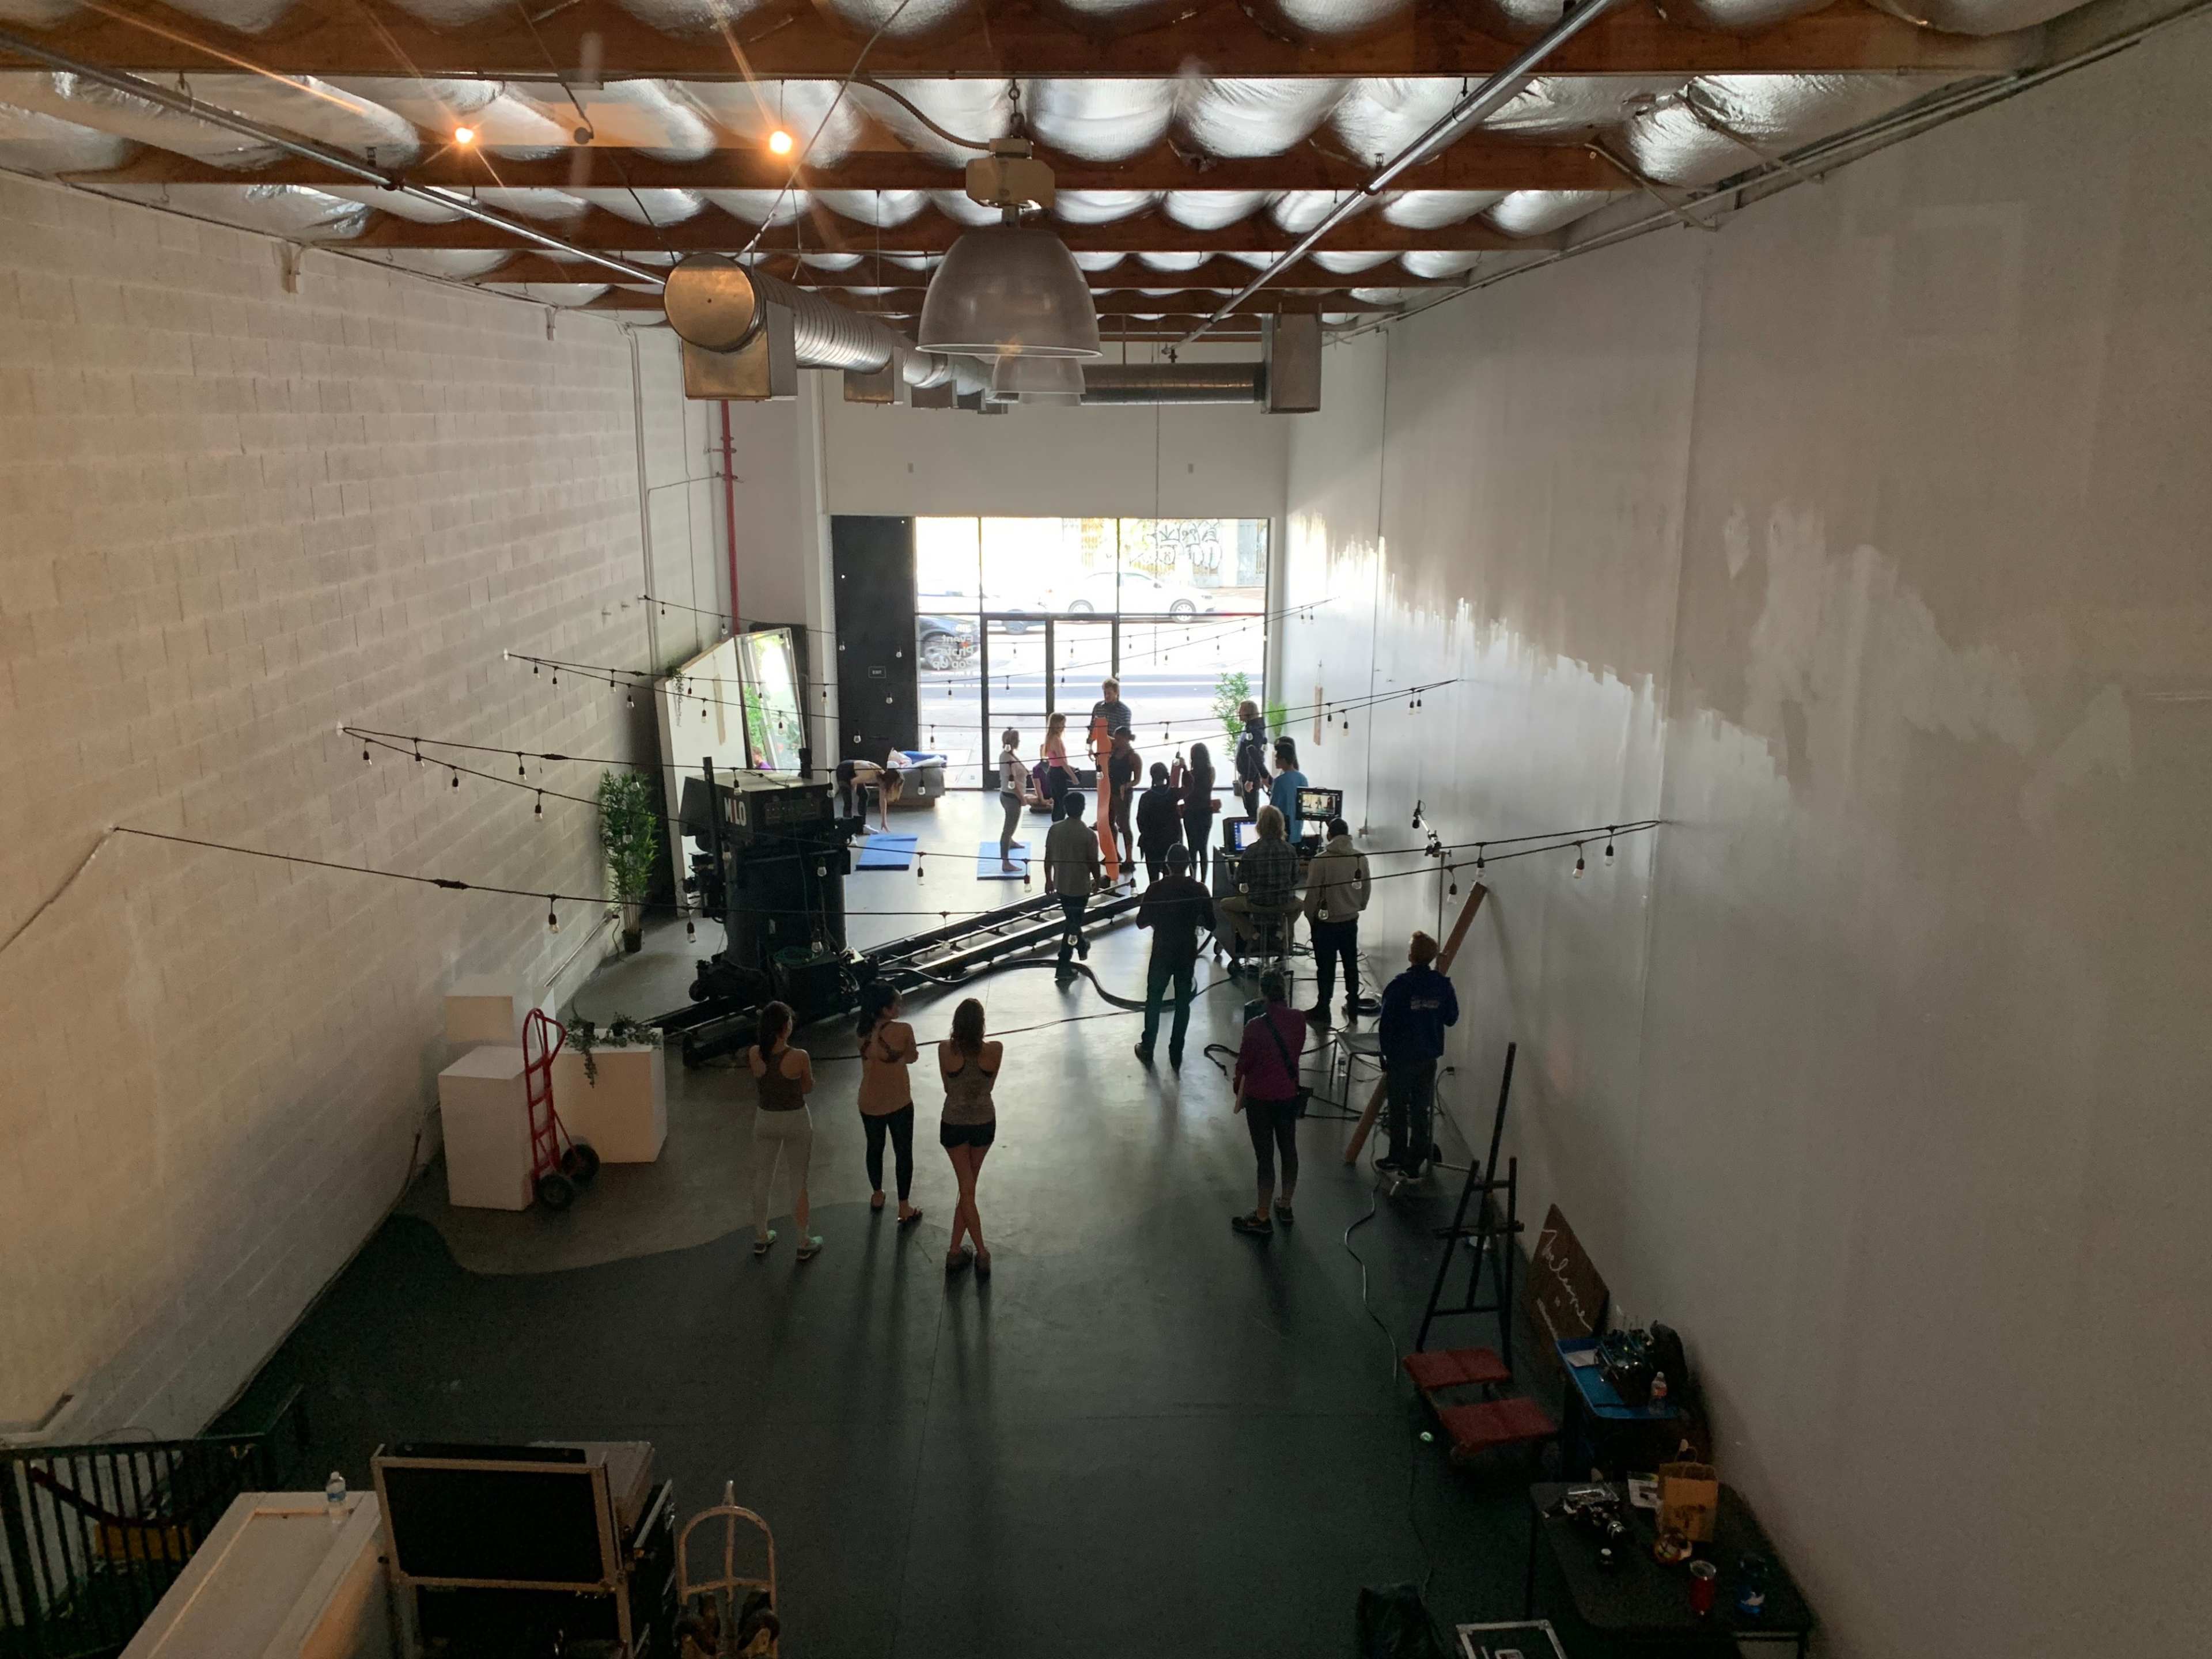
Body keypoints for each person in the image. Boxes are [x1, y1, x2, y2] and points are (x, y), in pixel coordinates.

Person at [1230, 969, 1307, 1236]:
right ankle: (1285, 1204)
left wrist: (1238, 1079)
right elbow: (1294, 1053)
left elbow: (1245, 1063)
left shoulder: (1255, 1027)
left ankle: (1262, 1216)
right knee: (1289, 1150)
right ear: (1284, 991)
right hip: (1288, 1096)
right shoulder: (1299, 1020)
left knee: (1265, 1158)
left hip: (1260, 1100)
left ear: (1263, 993)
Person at [1377, 931, 1460, 1177]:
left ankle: (1397, 1155)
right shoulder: (1443, 985)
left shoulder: (1399, 985)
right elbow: (1452, 1018)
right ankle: (1414, 1162)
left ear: (1411, 955)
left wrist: (1385, 1054)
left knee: (1398, 1109)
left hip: (1401, 1058)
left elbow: (1387, 1024)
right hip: (1428, 1058)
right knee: (1421, 1109)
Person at [745, 1001, 820, 1260]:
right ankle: (803, 1240)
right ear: (786, 1027)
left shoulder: (755, 1053)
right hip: (795, 1119)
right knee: (798, 1180)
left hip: (765, 1118)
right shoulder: (799, 1056)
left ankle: (761, 1235)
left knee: (762, 1177)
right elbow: (807, 1088)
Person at [937, 998, 1000, 1278]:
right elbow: (990, 1085)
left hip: (954, 1123)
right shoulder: (995, 1050)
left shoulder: (944, 1050)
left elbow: (947, 1087)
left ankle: (963, 1252)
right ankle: (971, 1252)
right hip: (983, 1122)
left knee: (967, 1189)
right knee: (968, 1188)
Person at [1134, 843, 1210, 1068]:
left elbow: (1140, 922)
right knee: (1183, 1002)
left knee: (1154, 998)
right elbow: (1212, 923)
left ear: (1167, 865)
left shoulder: (1155, 889)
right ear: (1188, 865)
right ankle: (1176, 1051)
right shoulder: (1200, 890)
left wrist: (1158, 918)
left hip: (1162, 949)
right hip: (1186, 950)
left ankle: (1148, 1047)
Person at [854, 982, 923, 1224]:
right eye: (896, 1003)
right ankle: (904, 1206)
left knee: (874, 1148)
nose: (899, 1006)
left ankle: (877, 1194)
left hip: (869, 1101)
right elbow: (913, 1058)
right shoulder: (904, 1030)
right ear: (885, 1009)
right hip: (898, 1101)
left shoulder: (861, 1031)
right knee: (903, 1152)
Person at [1301, 816, 1369, 1025]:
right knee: (1350, 964)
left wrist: (1310, 917)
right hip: (1350, 920)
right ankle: (1353, 1005)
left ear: (1329, 835)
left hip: (1326, 923)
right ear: (1348, 835)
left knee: (1326, 967)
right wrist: (1359, 906)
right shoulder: (1360, 858)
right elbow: (1366, 889)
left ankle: (1324, 1007)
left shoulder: (1321, 860)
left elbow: (1312, 894)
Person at [1214, 803, 1298, 971]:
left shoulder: (1251, 851)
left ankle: (1253, 935)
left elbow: (1239, 880)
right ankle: (1280, 936)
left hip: (1256, 904)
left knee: (1225, 904)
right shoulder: (1290, 850)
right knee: (1299, 906)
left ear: (1259, 826)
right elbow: (1295, 879)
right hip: (1282, 904)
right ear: (1281, 825)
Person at [1044, 789, 1103, 965]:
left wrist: (1049, 879)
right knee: (1073, 925)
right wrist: (1098, 881)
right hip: (1080, 887)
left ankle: (1082, 945)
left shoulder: (1055, 830)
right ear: (1083, 808)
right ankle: (1064, 962)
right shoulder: (1088, 835)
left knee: (1072, 921)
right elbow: (1094, 862)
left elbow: (1048, 857)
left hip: (1062, 885)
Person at [1134, 761, 1184, 884]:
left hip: (1151, 843)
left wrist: (1147, 833)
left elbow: (1140, 820)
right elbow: (1190, 787)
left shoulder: (1146, 797)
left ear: (1152, 776)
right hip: (1170, 841)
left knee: (1153, 878)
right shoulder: (1173, 794)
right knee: (1169, 876)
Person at [1180, 740, 1219, 882]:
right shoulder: (1211, 772)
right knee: (1203, 848)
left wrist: (1184, 768)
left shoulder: (1188, 774)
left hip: (1190, 813)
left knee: (1192, 848)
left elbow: (1185, 791)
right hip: (1205, 813)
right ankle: (1203, 881)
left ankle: (1192, 879)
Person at [996, 727, 1033, 872]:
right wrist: (1022, 798)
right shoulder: (1007, 758)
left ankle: (1010, 842)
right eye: (1017, 739)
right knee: (1008, 829)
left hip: (1009, 797)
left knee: (1010, 827)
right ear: (1012, 741)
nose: (1019, 742)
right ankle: (1005, 862)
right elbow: (1012, 784)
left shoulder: (1010, 755)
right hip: (1011, 798)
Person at [1107, 728, 1141, 870]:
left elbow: (1137, 780)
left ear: (1126, 739)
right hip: (1111, 792)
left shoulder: (1133, 757)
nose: (1117, 741)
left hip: (1123, 794)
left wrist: (1126, 786)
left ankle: (1129, 858)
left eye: (1119, 739)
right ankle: (1114, 853)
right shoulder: (1114, 751)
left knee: (1124, 825)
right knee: (1109, 822)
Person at [1267, 737, 1308, 846]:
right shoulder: (1302, 778)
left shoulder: (1280, 781)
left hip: (1282, 831)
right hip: (1297, 830)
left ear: (1283, 760)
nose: (1275, 760)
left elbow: (1273, 808)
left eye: (1277, 758)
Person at [1232, 700, 1268, 821]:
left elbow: (1255, 757)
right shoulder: (1249, 727)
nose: (1238, 713)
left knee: (1252, 809)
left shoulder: (1255, 730)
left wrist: (1250, 779)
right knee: (1249, 807)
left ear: (1248, 712)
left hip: (1250, 777)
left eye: (1241, 710)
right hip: (1245, 775)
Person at [1089, 676, 1134, 767]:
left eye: (1109, 693)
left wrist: (1106, 738)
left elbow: (1124, 737)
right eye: (1105, 693)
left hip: (1119, 754)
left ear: (1116, 693)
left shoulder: (1124, 711)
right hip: (1101, 750)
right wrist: (1090, 747)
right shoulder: (1098, 707)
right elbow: (1092, 728)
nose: (1106, 696)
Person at [1041, 711, 1071, 813]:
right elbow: (1062, 761)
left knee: (1059, 803)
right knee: (1061, 804)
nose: (1063, 726)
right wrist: (1073, 776)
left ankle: (1058, 825)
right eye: (1061, 724)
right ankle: (1059, 826)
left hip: (1055, 771)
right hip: (1057, 773)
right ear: (1055, 725)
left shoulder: (1053, 738)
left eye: (1064, 724)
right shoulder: (1055, 739)